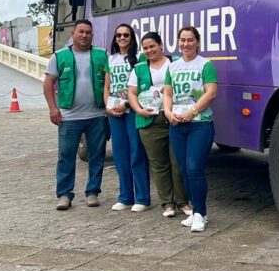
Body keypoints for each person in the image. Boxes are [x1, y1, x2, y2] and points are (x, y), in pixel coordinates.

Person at [44, 19, 109, 211]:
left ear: (92, 35)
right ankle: (64, 194)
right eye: (81, 32)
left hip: (97, 115)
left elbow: (110, 81)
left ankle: (93, 192)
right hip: (69, 117)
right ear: (73, 34)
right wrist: (53, 108)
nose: (84, 35)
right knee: (66, 156)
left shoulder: (102, 55)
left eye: (88, 32)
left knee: (97, 155)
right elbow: (48, 84)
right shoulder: (60, 56)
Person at [128, 31, 190, 218]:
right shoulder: (138, 68)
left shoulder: (175, 63)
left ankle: (183, 202)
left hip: (173, 118)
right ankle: (168, 204)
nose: (149, 50)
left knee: (178, 162)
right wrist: (139, 110)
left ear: (160, 45)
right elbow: (131, 93)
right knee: (159, 164)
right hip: (149, 121)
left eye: (152, 46)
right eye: (145, 48)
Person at [163, 25, 218, 232]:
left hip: (199, 124)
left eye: (190, 40)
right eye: (182, 40)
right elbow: (168, 93)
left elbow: (210, 93)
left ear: (198, 43)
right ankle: (196, 212)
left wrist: (192, 111)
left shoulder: (206, 65)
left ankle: (200, 214)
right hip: (177, 125)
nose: (186, 44)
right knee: (184, 170)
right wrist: (168, 113)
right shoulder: (173, 66)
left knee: (195, 168)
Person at [104, 23, 150, 212]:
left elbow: (143, 86)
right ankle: (125, 196)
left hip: (132, 111)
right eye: (119, 35)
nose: (122, 38)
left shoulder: (139, 58)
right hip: (115, 113)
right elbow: (106, 87)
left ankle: (142, 198)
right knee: (120, 154)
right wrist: (108, 107)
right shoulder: (110, 59)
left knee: (136, 153)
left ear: (132, 38)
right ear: (115, 39)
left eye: (126, 35)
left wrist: (127, 104)